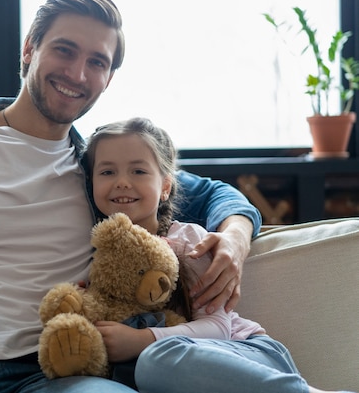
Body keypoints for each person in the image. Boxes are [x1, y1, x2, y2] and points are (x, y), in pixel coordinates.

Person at [0, 0, 262, 393]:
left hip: (54, 373)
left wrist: (236, 238)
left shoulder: (101, 167)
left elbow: (212, 194)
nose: (77, 73)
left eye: (97, 61)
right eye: (64, 49)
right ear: (29, 50)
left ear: (108, 79)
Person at [82, 116, 355, 393]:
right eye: (107, 172)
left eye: (138, 171)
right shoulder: (94, 253)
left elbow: (219, 327)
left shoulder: (188, 241)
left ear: (165, 187)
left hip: (246, 352)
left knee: (154, 361)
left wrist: (141, 340)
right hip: (182, 377)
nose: (122, 182)